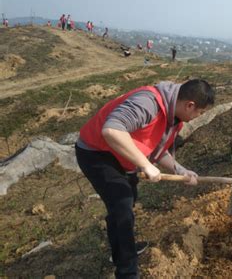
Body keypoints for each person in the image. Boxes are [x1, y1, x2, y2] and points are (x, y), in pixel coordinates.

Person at [75, 79, 215, 278]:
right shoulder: (148, 103)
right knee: (122, 204)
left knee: (126, 201)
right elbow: (112, 130)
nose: (198, 117)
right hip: (97, 152)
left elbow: (158, 151)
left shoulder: (175, 117)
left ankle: (122, 248)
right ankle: (127, 272)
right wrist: (145, 164)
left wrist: (180, 169)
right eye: (200, 113)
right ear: (190, 105)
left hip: (123, 156)